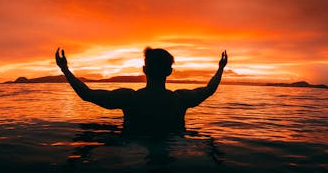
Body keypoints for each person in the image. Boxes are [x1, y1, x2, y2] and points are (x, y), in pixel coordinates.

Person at [55, 47, 228, 135]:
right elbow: (209, 90)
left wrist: (65, 69)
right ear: (169, 72)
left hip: (134, 152)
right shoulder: (180, 99)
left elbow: (87, 94)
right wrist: (220, 68)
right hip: (173, 148)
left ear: (144, 70)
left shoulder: (129, 98)